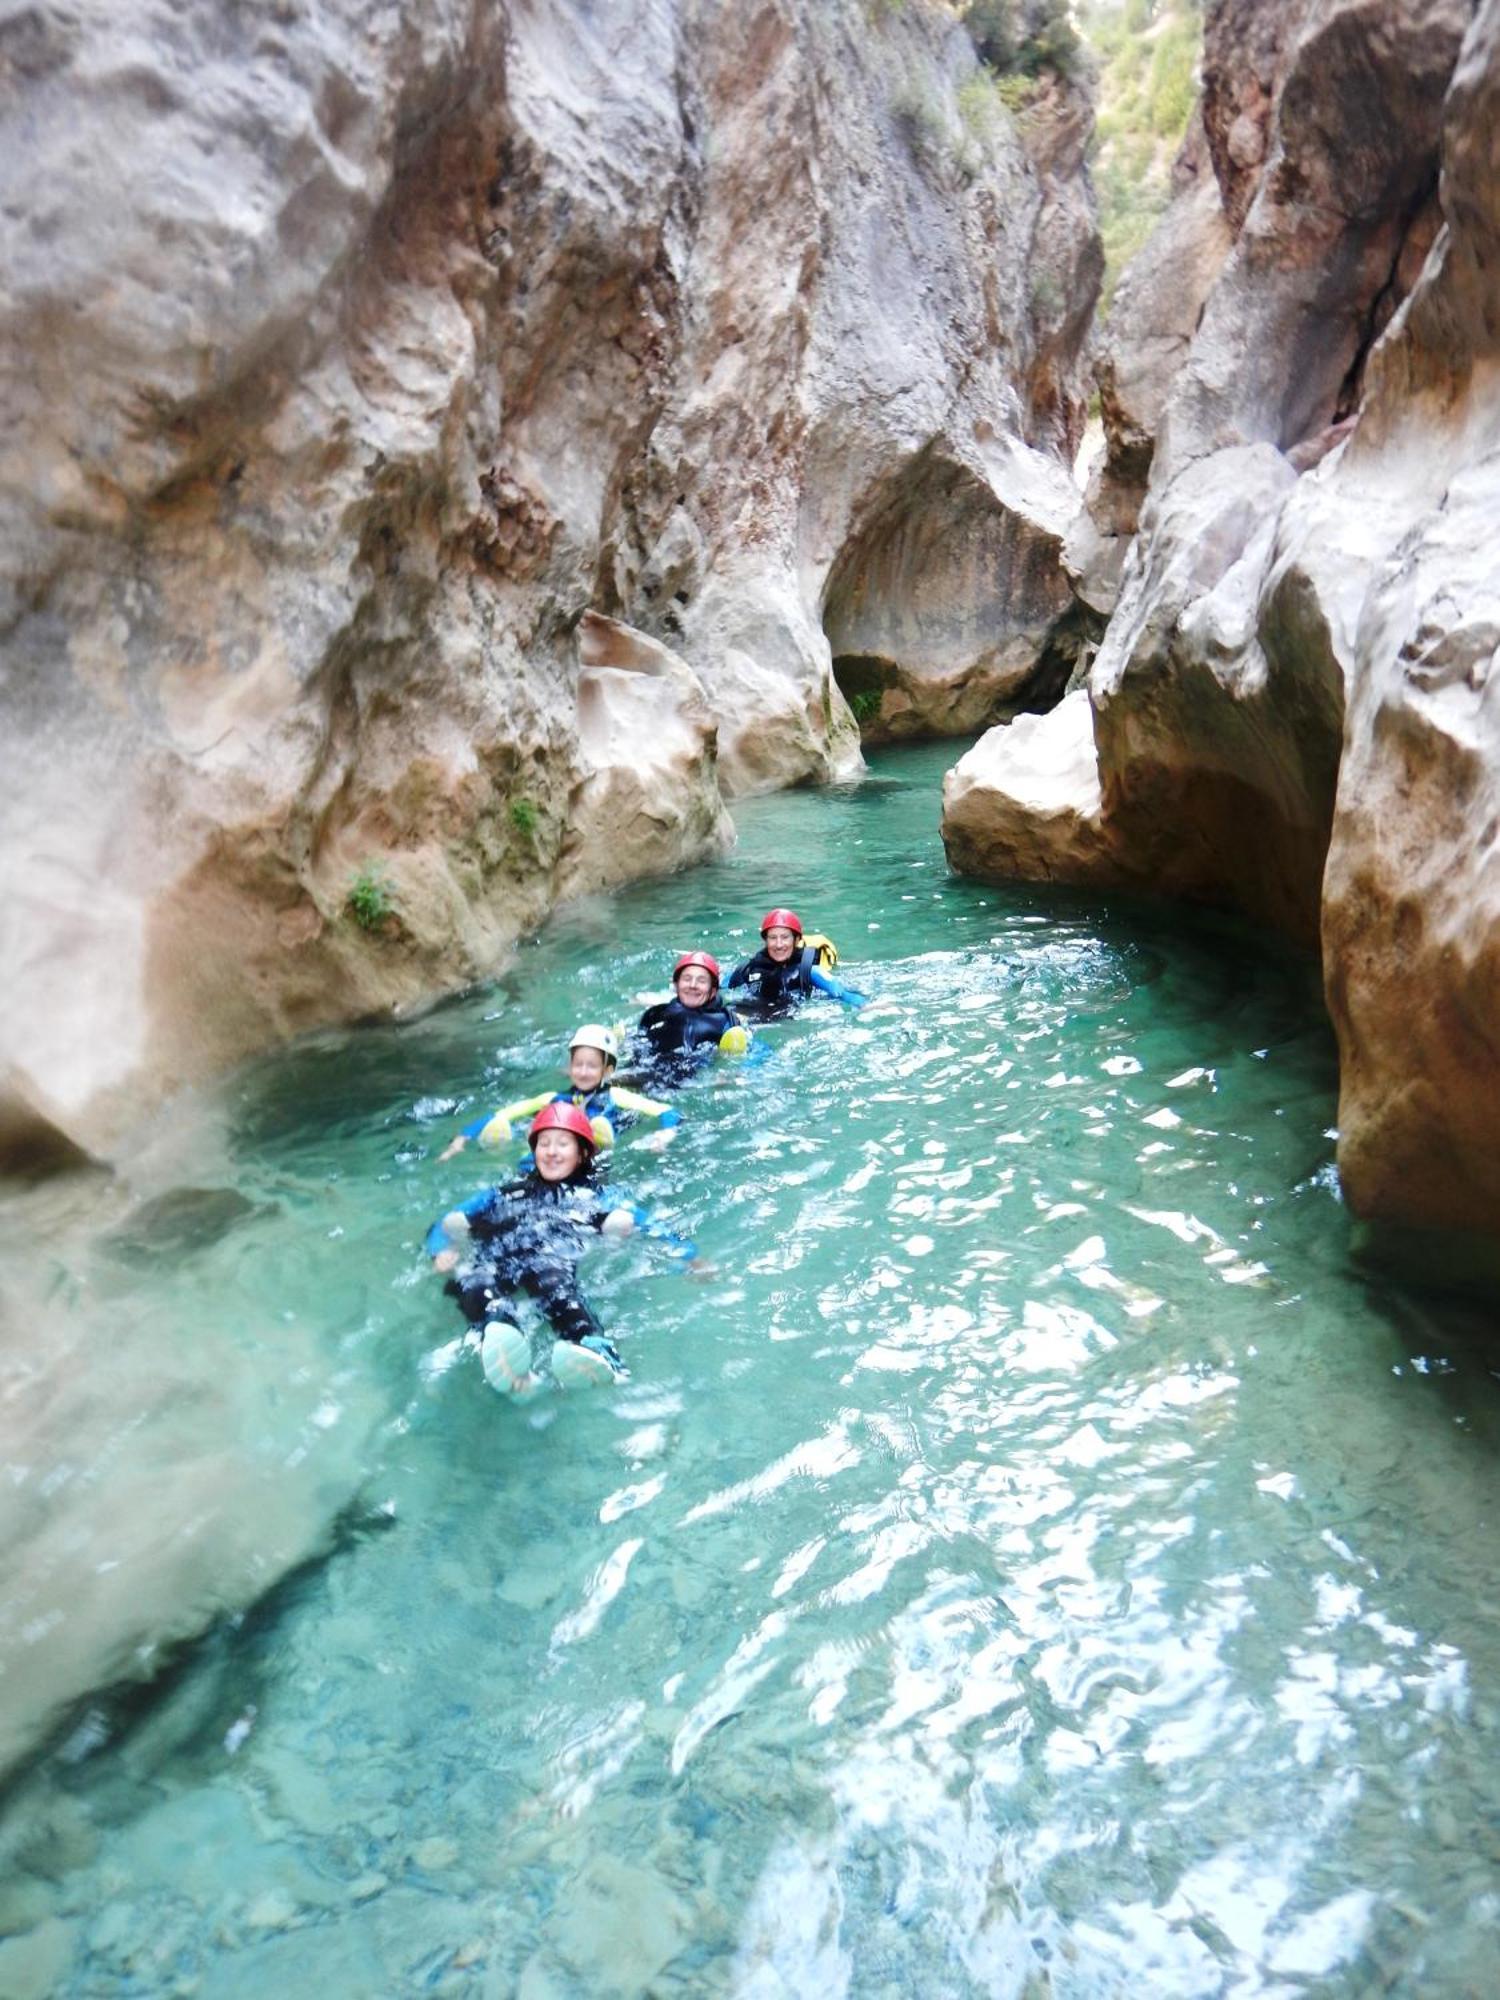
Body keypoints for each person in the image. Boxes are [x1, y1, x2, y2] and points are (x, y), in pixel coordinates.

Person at [428, 1102, 699, 1396]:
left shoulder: (596, 1193)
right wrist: (442, 1249)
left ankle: (595, 1348)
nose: (551, 1151)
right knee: (474, 1283)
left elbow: (646, 1223)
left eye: (562, 1144)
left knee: (556, 1288)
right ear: (534, 1152)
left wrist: (688, 1255)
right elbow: (445, 1222)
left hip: (550, 1257)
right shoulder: (506, 1191)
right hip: (497, 1253)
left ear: (582, 1153)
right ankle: (505, 1348)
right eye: (544, 1143)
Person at [438, 1024, 680, 1163]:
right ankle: (501, 1150)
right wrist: (461, 1139)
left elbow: (668, 1112)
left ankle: (597, 1140)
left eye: (592, 1066)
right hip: (558, 1153)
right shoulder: (553, 1098)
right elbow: (503, 1113)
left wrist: (665, 1133)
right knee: (531, 1147)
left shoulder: (616, 1097)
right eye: (578, 1065)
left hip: (595, 1156)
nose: (583, 1072)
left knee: (596, 1133)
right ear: (569, 1067)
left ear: (608, 1071)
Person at [632, 951, 750, 1084]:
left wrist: (728, 1072)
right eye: (687, 979)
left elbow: (754, 1054)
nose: (692, 985)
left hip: (686, 1081)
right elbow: (637, 1043)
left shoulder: (726, 1022)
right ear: (676, 985)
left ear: (713, 990)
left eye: (701, 980)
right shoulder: (655, 1014)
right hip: (646, 1069)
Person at [725, 908, 867, 1018]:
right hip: (748, 1014)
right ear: (766, 940)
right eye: (773, 938)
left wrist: (866, 1005)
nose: (779, 944)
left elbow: (840, 992)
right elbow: (716, 988)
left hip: (786, 1020)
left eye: (785, 937)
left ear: (797, 939)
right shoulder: (748, 969)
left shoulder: (808, 970)